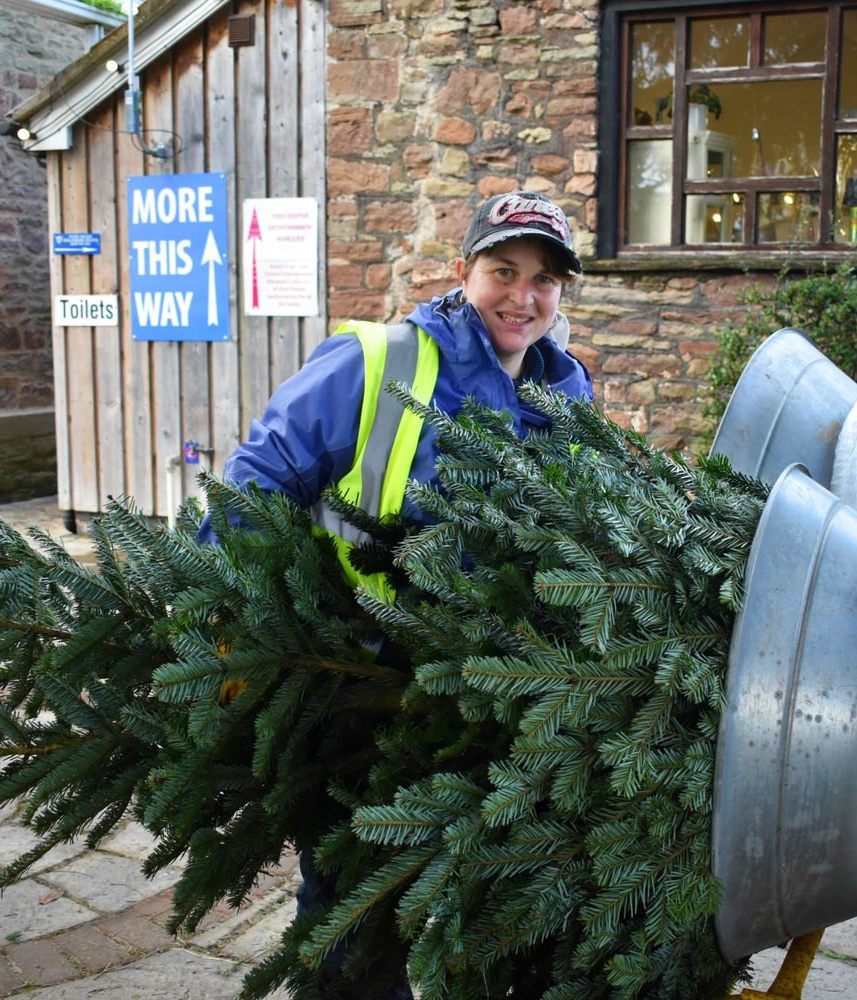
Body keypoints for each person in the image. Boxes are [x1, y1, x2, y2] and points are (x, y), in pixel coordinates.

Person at [201, 190, 594, 997]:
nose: (524, 298)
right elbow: (256, 483)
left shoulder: (568, 391)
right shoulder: (380, 361)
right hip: (362, 687)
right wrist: (218, 613)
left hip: (498, 704)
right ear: (463, 272)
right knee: (353, 910)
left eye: (546, 280)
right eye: (503, 271)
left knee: (487, 912)